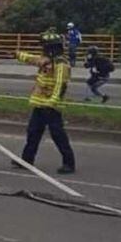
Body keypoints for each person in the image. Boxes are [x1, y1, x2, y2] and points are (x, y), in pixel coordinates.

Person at [15, 31, 76, 175]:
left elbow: (60, 84)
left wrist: (52, 102)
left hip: (51, 107)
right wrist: (17, 54)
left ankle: (69, 163)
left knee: (58, 135)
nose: (42, 50)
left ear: (51, 48)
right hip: (40, 105)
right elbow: (33, 59)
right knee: (33, 133)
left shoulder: (61, 64)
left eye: (44, 47)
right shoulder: (47, 60)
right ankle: (26, 160)